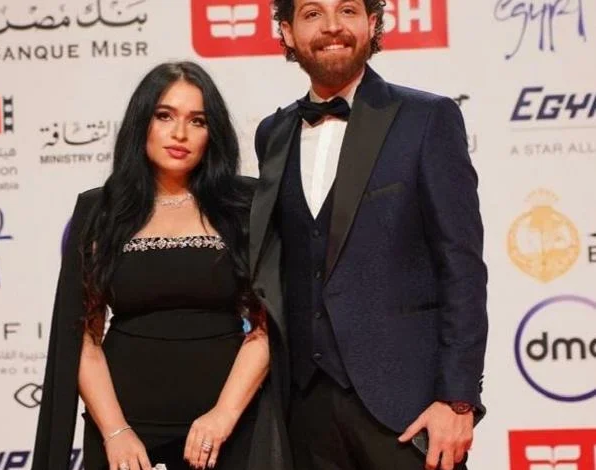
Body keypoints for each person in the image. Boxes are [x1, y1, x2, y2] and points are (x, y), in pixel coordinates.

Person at [249, 1, 489, 469]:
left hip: (409, 411)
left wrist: (458, 400)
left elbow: (461, 267)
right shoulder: (272, 134)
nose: (332, 27)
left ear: (372, 23)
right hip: (305, 411)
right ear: (287, 31)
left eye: (348, 10)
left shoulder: (427, 118)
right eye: (313, 13)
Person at [31, 61, 291, 470]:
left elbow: (268, 325)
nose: (180, 133)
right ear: (142, 123)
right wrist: (115, 432)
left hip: (228, 429)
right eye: (165, 116)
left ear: (213, 133)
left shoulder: (245, 205)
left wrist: (223, 416)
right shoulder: (100, 211)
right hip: (125, 434)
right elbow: (82, 336)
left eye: (197, 121)